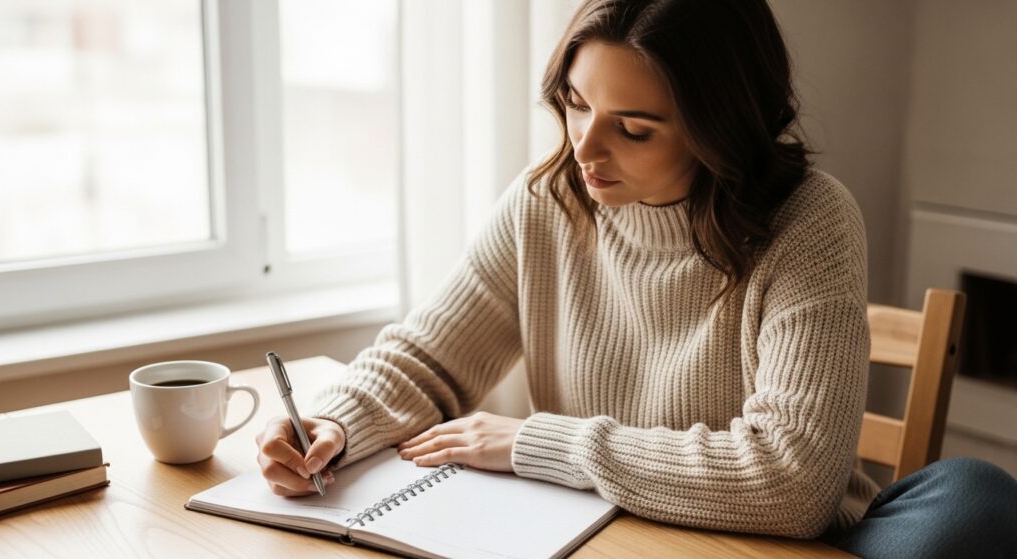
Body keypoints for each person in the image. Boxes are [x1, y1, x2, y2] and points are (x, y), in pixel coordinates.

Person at [255, 0, 1017, 557]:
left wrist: (537, 442)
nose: (585, 147)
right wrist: (334, 424)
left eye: (634, 127)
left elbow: (791, 478)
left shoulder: (809, 220)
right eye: (577, 104)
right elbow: (428, 358)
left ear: (721, 127)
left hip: (770, 544)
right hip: (602, 537)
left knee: (977, 499)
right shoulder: (545, 201)